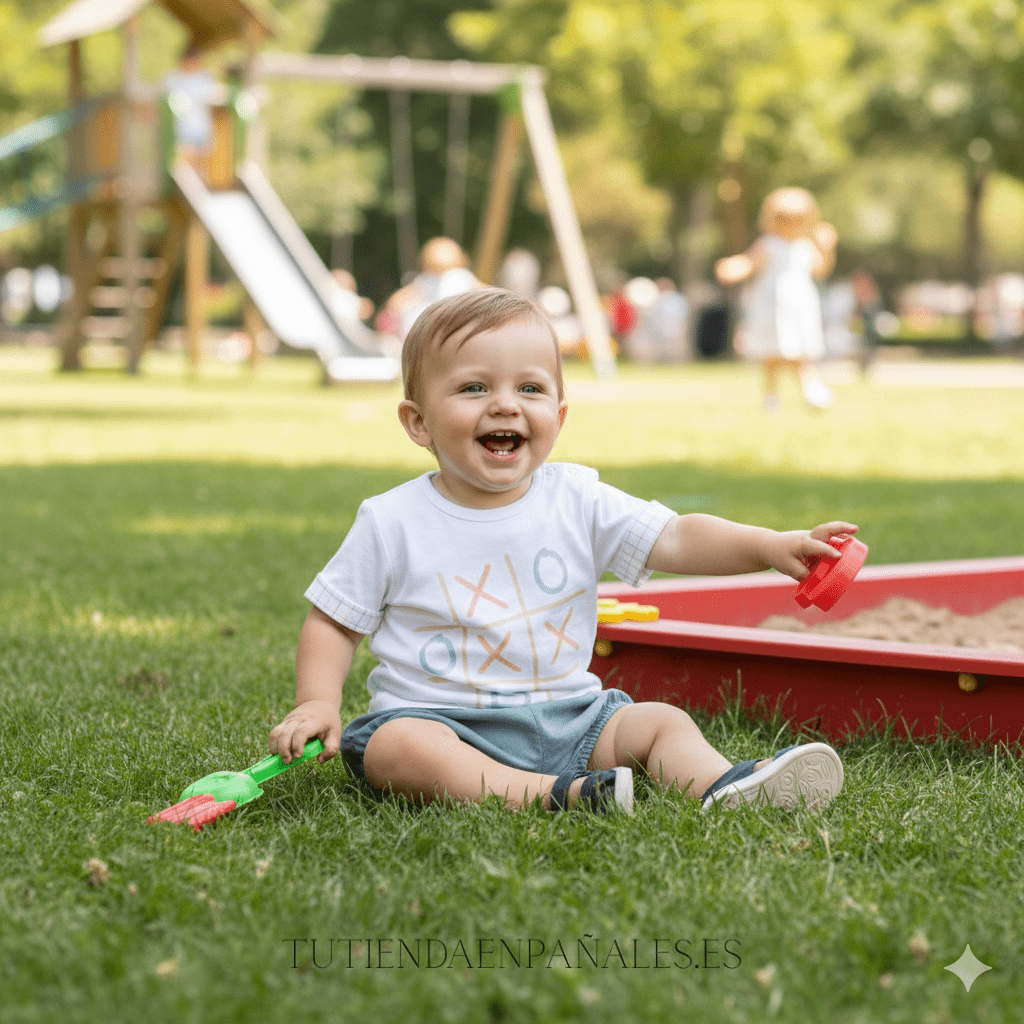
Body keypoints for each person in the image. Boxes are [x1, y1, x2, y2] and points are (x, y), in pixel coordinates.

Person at [268, 288, 853, 814]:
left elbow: (675, 536)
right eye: (474, 388)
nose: (505, 405)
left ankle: (725, 786)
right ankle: (556, 796)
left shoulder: (577, 498)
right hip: (441, 721)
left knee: (658, 723)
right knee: (396, 750)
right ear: (418, 422)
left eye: (530, 388)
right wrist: (318, 702)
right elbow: (334, 622)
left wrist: (770, 546)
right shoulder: (391, 521)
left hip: (571, 719)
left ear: (559, 415)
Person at [715, 187, 837, 412]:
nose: (788, 224)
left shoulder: (805, 248)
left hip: (798, 304)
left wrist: (828, 249)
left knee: (798, 352)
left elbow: (820, 270)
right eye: (782, 219)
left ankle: (809, 387)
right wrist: (733, 268)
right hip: (772, 305)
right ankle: (772, 397)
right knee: (772, 354)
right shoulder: (769, 244)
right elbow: (749, 263)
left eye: (795, 219)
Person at [164, 42, 221, 178]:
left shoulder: (205, 79)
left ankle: (201, 186)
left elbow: (214, 100)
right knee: (185, 159)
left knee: (201, 161)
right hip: (180, 128)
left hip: (202, 127)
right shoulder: (172, 78)